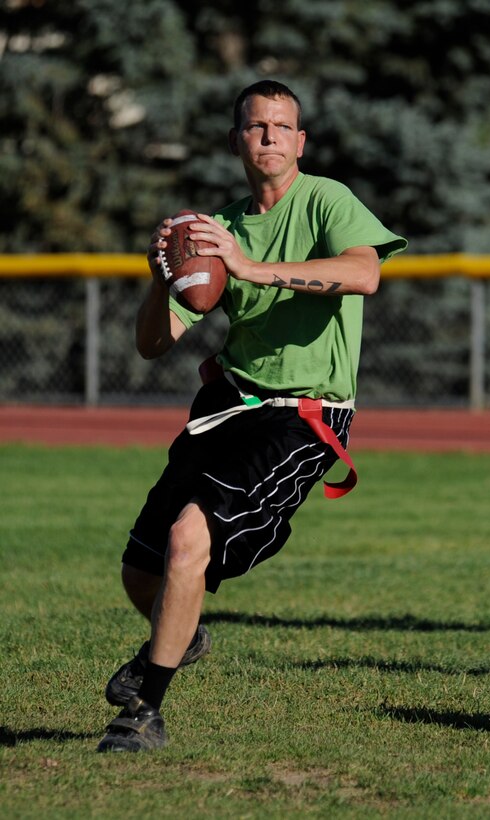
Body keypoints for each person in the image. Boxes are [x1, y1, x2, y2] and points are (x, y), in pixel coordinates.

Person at [97, 80, 407, 752]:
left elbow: (363, 275)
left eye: (281, 126)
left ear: (300, 142)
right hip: (227, 406)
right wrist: (162, 280)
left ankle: (144, 712)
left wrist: (253, 267)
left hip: (304, 414)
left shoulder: (326, 199)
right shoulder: (218, 229)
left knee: (188, 539)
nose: (268, 136)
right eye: (255, 126)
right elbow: (153, 345)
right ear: (238, 138)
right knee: (140, 571)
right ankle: (184, 635)